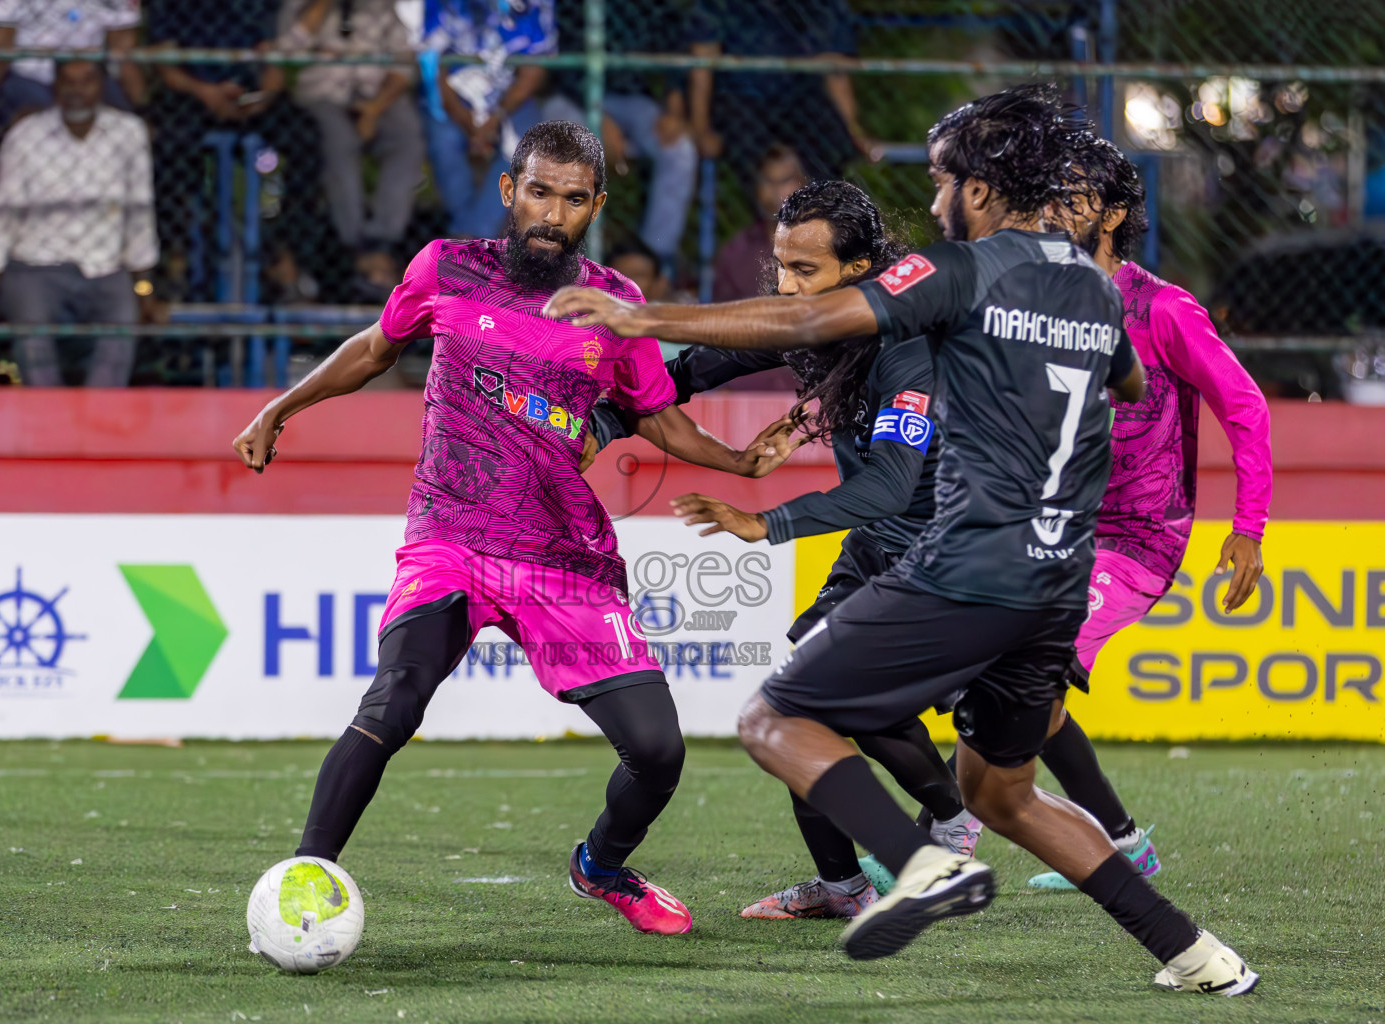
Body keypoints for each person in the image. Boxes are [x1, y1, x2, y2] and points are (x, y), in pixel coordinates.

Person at [544, 86, 1258, 995]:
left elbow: (808, 321)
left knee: (775, 719)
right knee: (1005, 796)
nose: (932, 204)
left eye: (941, 182)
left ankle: (920, 865)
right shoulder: (1095, 287)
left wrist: (642, 318)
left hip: (971, 564)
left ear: (986, 189)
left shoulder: (958, 270)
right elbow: (1123, 385)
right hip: (1059, 581)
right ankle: (1197, 954)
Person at [232, 121, 798, 938]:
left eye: (573, 199)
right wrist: (280, 408)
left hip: (561, 557)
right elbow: (373, 349)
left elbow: (656, 420)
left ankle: (600, 865)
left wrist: (738, 464)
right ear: (510, 190)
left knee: (659, 753)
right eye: (539, 191)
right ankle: (304, 879)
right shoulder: (446, 267)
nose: (552, 213)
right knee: (394, 700)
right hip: (451, 539)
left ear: (595, 206)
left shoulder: (617, 307)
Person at [589, 179, 982, 921]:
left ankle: (953, 816)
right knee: (803, 712)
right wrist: (603, 425)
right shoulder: (809, 327)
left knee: (820, 703)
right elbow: (690, 373)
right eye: (780, 268)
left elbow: (893, 487)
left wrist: (762, 523)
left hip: (942, 554)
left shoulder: (903, 347)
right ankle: (849, 883)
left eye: (806, 272)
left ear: (860, 272)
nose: (787, 286)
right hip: (879, 550)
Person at [1022, 134, 1272, 890]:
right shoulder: (1038, 300)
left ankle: (940, 841)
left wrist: (1248, 529)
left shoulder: (1163, 309)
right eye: (1051, 194)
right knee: (1019, 680)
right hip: (1049, 530)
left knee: (1030, 670)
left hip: (1136, 541)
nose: (1057, 208)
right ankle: (1122, 844)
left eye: (1075, 194)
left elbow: (1246, 406)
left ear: (1116, 211)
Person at [0, 61, 159, 387]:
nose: (77, 91)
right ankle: (50, 427)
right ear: (54, 86)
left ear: (102, 85)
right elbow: (4, 213)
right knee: (32, 337)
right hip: (35, 264)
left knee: (122, 324)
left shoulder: (128, 134)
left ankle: (98, 422)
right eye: (68, 82)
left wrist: (144, 289)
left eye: (87, 81)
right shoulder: (26, 136)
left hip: (105, 267)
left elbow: (139, 215)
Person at [150, 0, 328, 302]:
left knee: (304, 136)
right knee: (170, 142)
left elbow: (272, 60)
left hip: (250, 95)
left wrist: (264, 95)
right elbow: (165, 66)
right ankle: (174, 258)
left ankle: (289, 254)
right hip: (192, 95)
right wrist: (205, 92)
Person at [275, 0, 424, 296]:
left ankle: (382, 239)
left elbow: (403, 65)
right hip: (323, 97)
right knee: (339, 143)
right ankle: (357, 244)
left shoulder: (382, 7)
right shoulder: (302, 5)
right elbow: (285, 51)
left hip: (376, 99)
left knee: (407, 139)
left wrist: (373, 109)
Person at [543, 0, 697, 265]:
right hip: (572, 98)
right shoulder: (569, 6)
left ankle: (652, 261)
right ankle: (565, 257)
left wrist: (674, 104)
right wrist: (599, 120)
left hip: (630, 100)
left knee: (679, 150)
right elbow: (562, 69)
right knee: (573, 144)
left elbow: (674, 42)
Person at [685, 0, 881, 183]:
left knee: (832, 142)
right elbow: (702, 60)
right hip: (740, 98)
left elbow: (835, 69)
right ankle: (770, 210)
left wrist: (852, 130)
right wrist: (700, 127)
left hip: (801, 99)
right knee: (750, 146)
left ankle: (821, 207)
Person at [420, 0, 557, 241]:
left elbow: (534, 70)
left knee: (526, 144)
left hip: (509, 99)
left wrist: (495, 117)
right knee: (445, 139)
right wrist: (466, 120)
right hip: (456, 99)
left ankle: (468, 238)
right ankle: (473, 240)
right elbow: (433, 66)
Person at [0, 0, 145, 126]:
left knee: (124, 126)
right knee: (45, 126)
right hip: (31, 74)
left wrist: (141, 109)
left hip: (91, 74)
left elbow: (123, 48)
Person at [712, 145, 807, 304]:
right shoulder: (736, 252)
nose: (775, 190)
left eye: (784, 181)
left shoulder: (826, 245)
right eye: (767, 181)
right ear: (757, 188)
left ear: (802, 185)